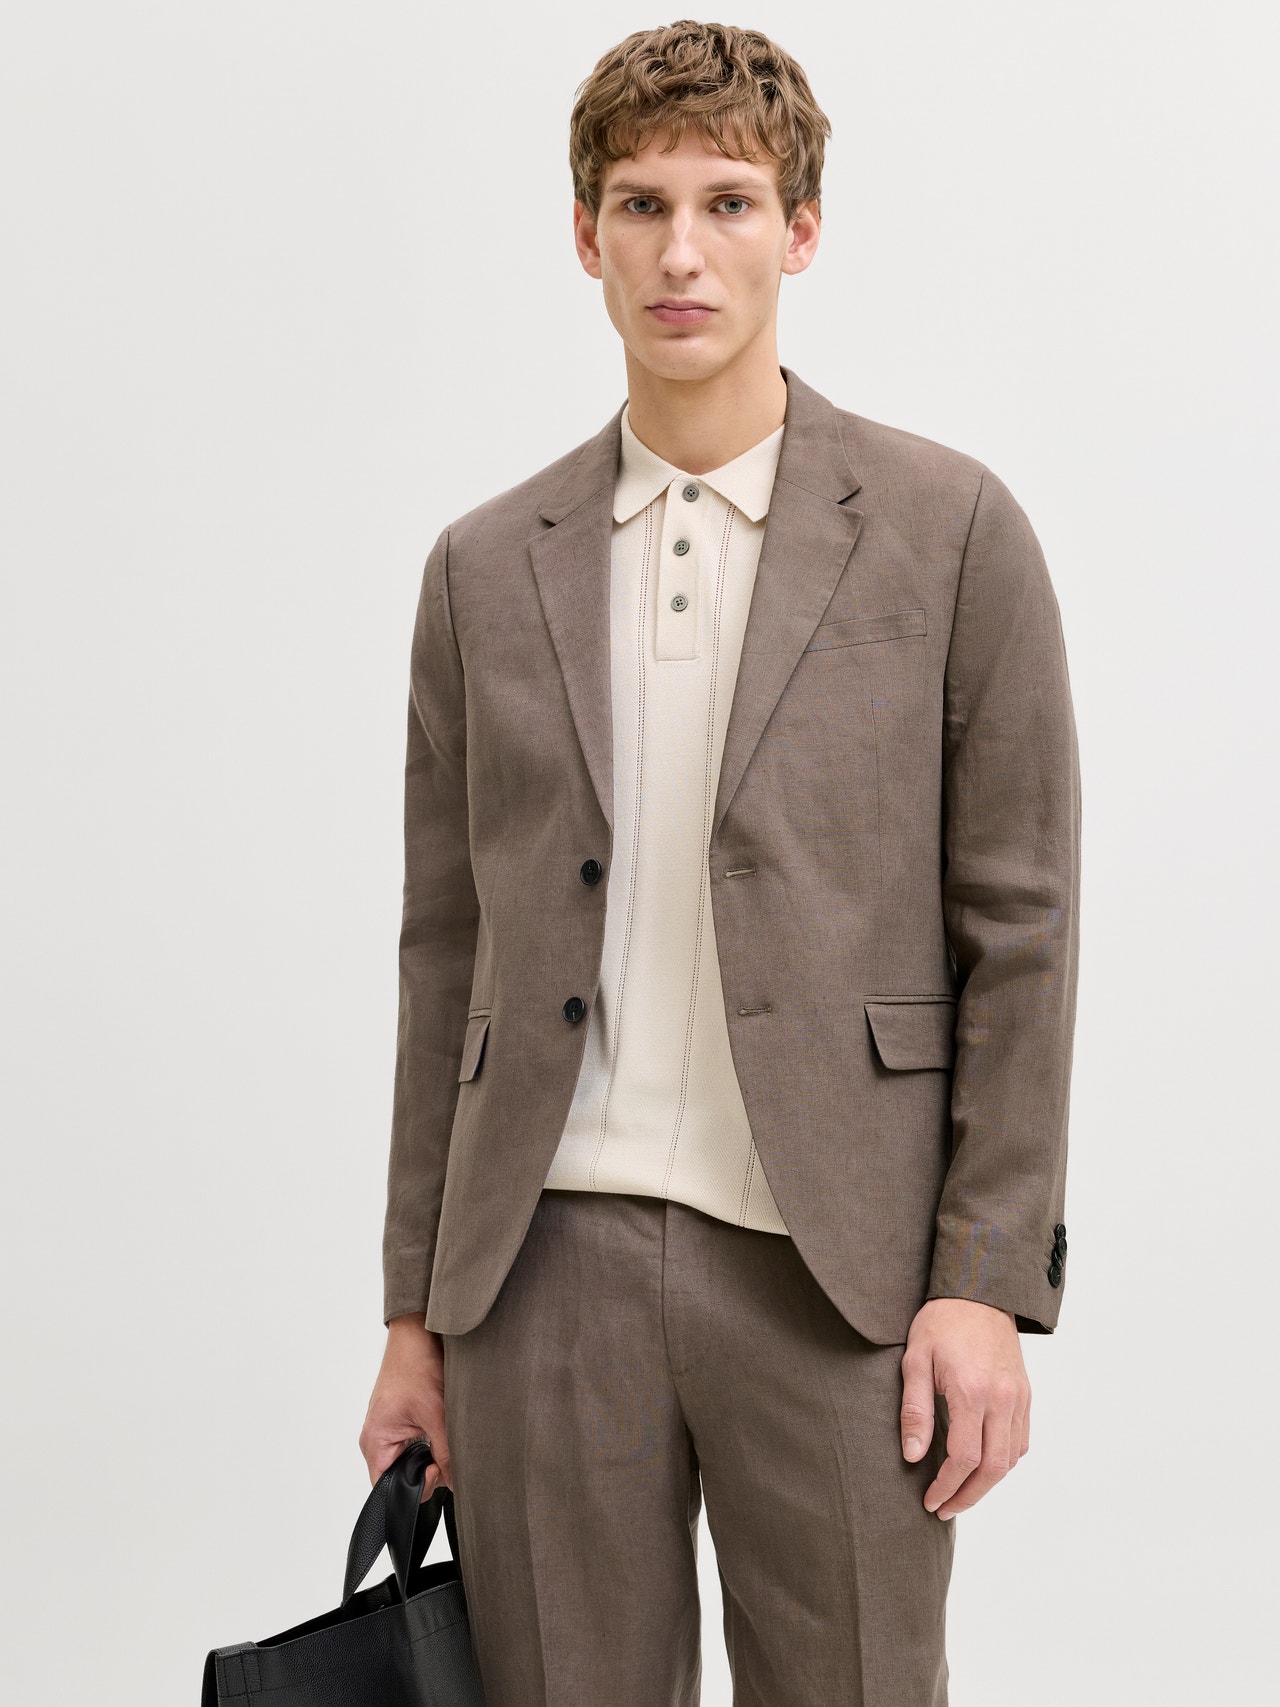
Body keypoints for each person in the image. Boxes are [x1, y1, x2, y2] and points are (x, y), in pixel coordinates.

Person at [359, 19, 1080, 1706]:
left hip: (838, 1274)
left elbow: (1023, 928)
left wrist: (985, 1284)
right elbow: (444, 955)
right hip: (543, 1268)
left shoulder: (952, 532)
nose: (682, 251)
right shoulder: (483, 568)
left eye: (729, 203)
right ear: (586, 236)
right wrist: (413, 1312)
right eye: (641, 205)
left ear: (800, 230)